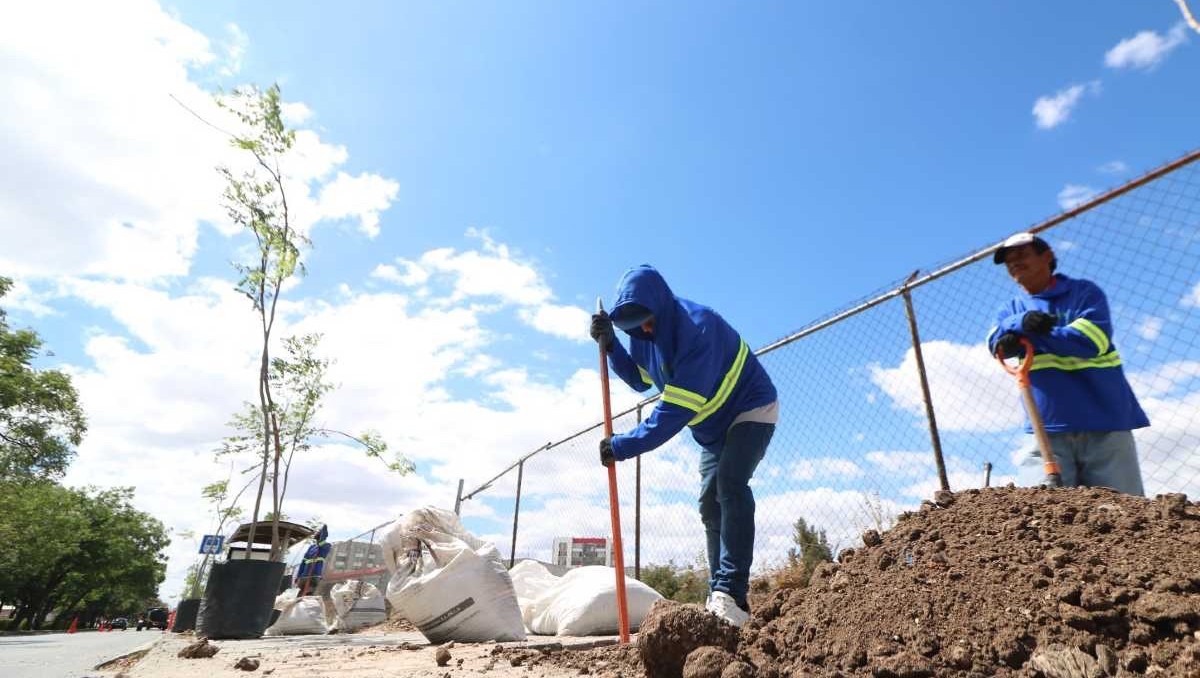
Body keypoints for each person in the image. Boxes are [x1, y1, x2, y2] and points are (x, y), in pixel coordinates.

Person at [590, 265, 778, 627]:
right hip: (712, 432)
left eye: (647, 322)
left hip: (751, 408)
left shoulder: (698, 329)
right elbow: (641, 380)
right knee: (709, 504)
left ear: (661, 306)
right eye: (634, 326)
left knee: (730, 484)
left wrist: (622, 445)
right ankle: (718, 595)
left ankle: (731, 593)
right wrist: (612, 345)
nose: (644, 330)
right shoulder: (642, 333)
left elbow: (672, 413)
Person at [986, 232, 1149, 495]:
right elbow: (996, 345)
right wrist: (1019, 322)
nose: (1014, 262)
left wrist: (1031, 334)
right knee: (1040, 509)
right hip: (1045, 427)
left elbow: (1091, 341)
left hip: (1105, 422)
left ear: (1047, 256)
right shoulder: (1011, 309)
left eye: (1022, 254)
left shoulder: (1084, 293)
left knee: (1123, 507)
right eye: (1008, 260)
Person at [295, 524, 330, 595]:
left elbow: (322, 540)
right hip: (304, 575)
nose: (316, 533)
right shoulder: (311, 547)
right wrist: (298, 576)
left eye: (318, 532)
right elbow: (303, 563)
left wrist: (324, 528)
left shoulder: (326, 545)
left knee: (308, 595)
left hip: (315, 574)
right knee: (299, 595)